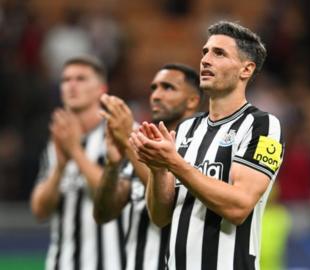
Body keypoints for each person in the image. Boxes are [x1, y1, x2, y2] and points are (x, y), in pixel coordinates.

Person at [129, 21, 285, 270]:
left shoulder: (263, 126)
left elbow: (239, 207)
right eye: (205, 52)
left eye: (219, 53)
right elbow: (160, 217)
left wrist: (174, 163)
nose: (205, 60)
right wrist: (158, 169)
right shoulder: (186, 129)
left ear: (246, 70)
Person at [93, 63, 202, 270]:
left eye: (168, 87)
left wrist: (126, 140)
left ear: (192, 101)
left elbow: (167, 210)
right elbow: (103, 213)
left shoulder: (200, 149)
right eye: (154, 88)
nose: (156, 95)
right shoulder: (139, 147)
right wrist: (113, 165)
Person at [30, 56, 126, 270]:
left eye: (81, 79)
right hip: (61, 263)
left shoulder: (120, 134)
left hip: (112, 263)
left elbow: (115, 199)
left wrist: (75, 151)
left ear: (101, 88)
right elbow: (39, 211)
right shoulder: (55, 141)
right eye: (66, 80)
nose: (71, 85)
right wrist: (60, 168)